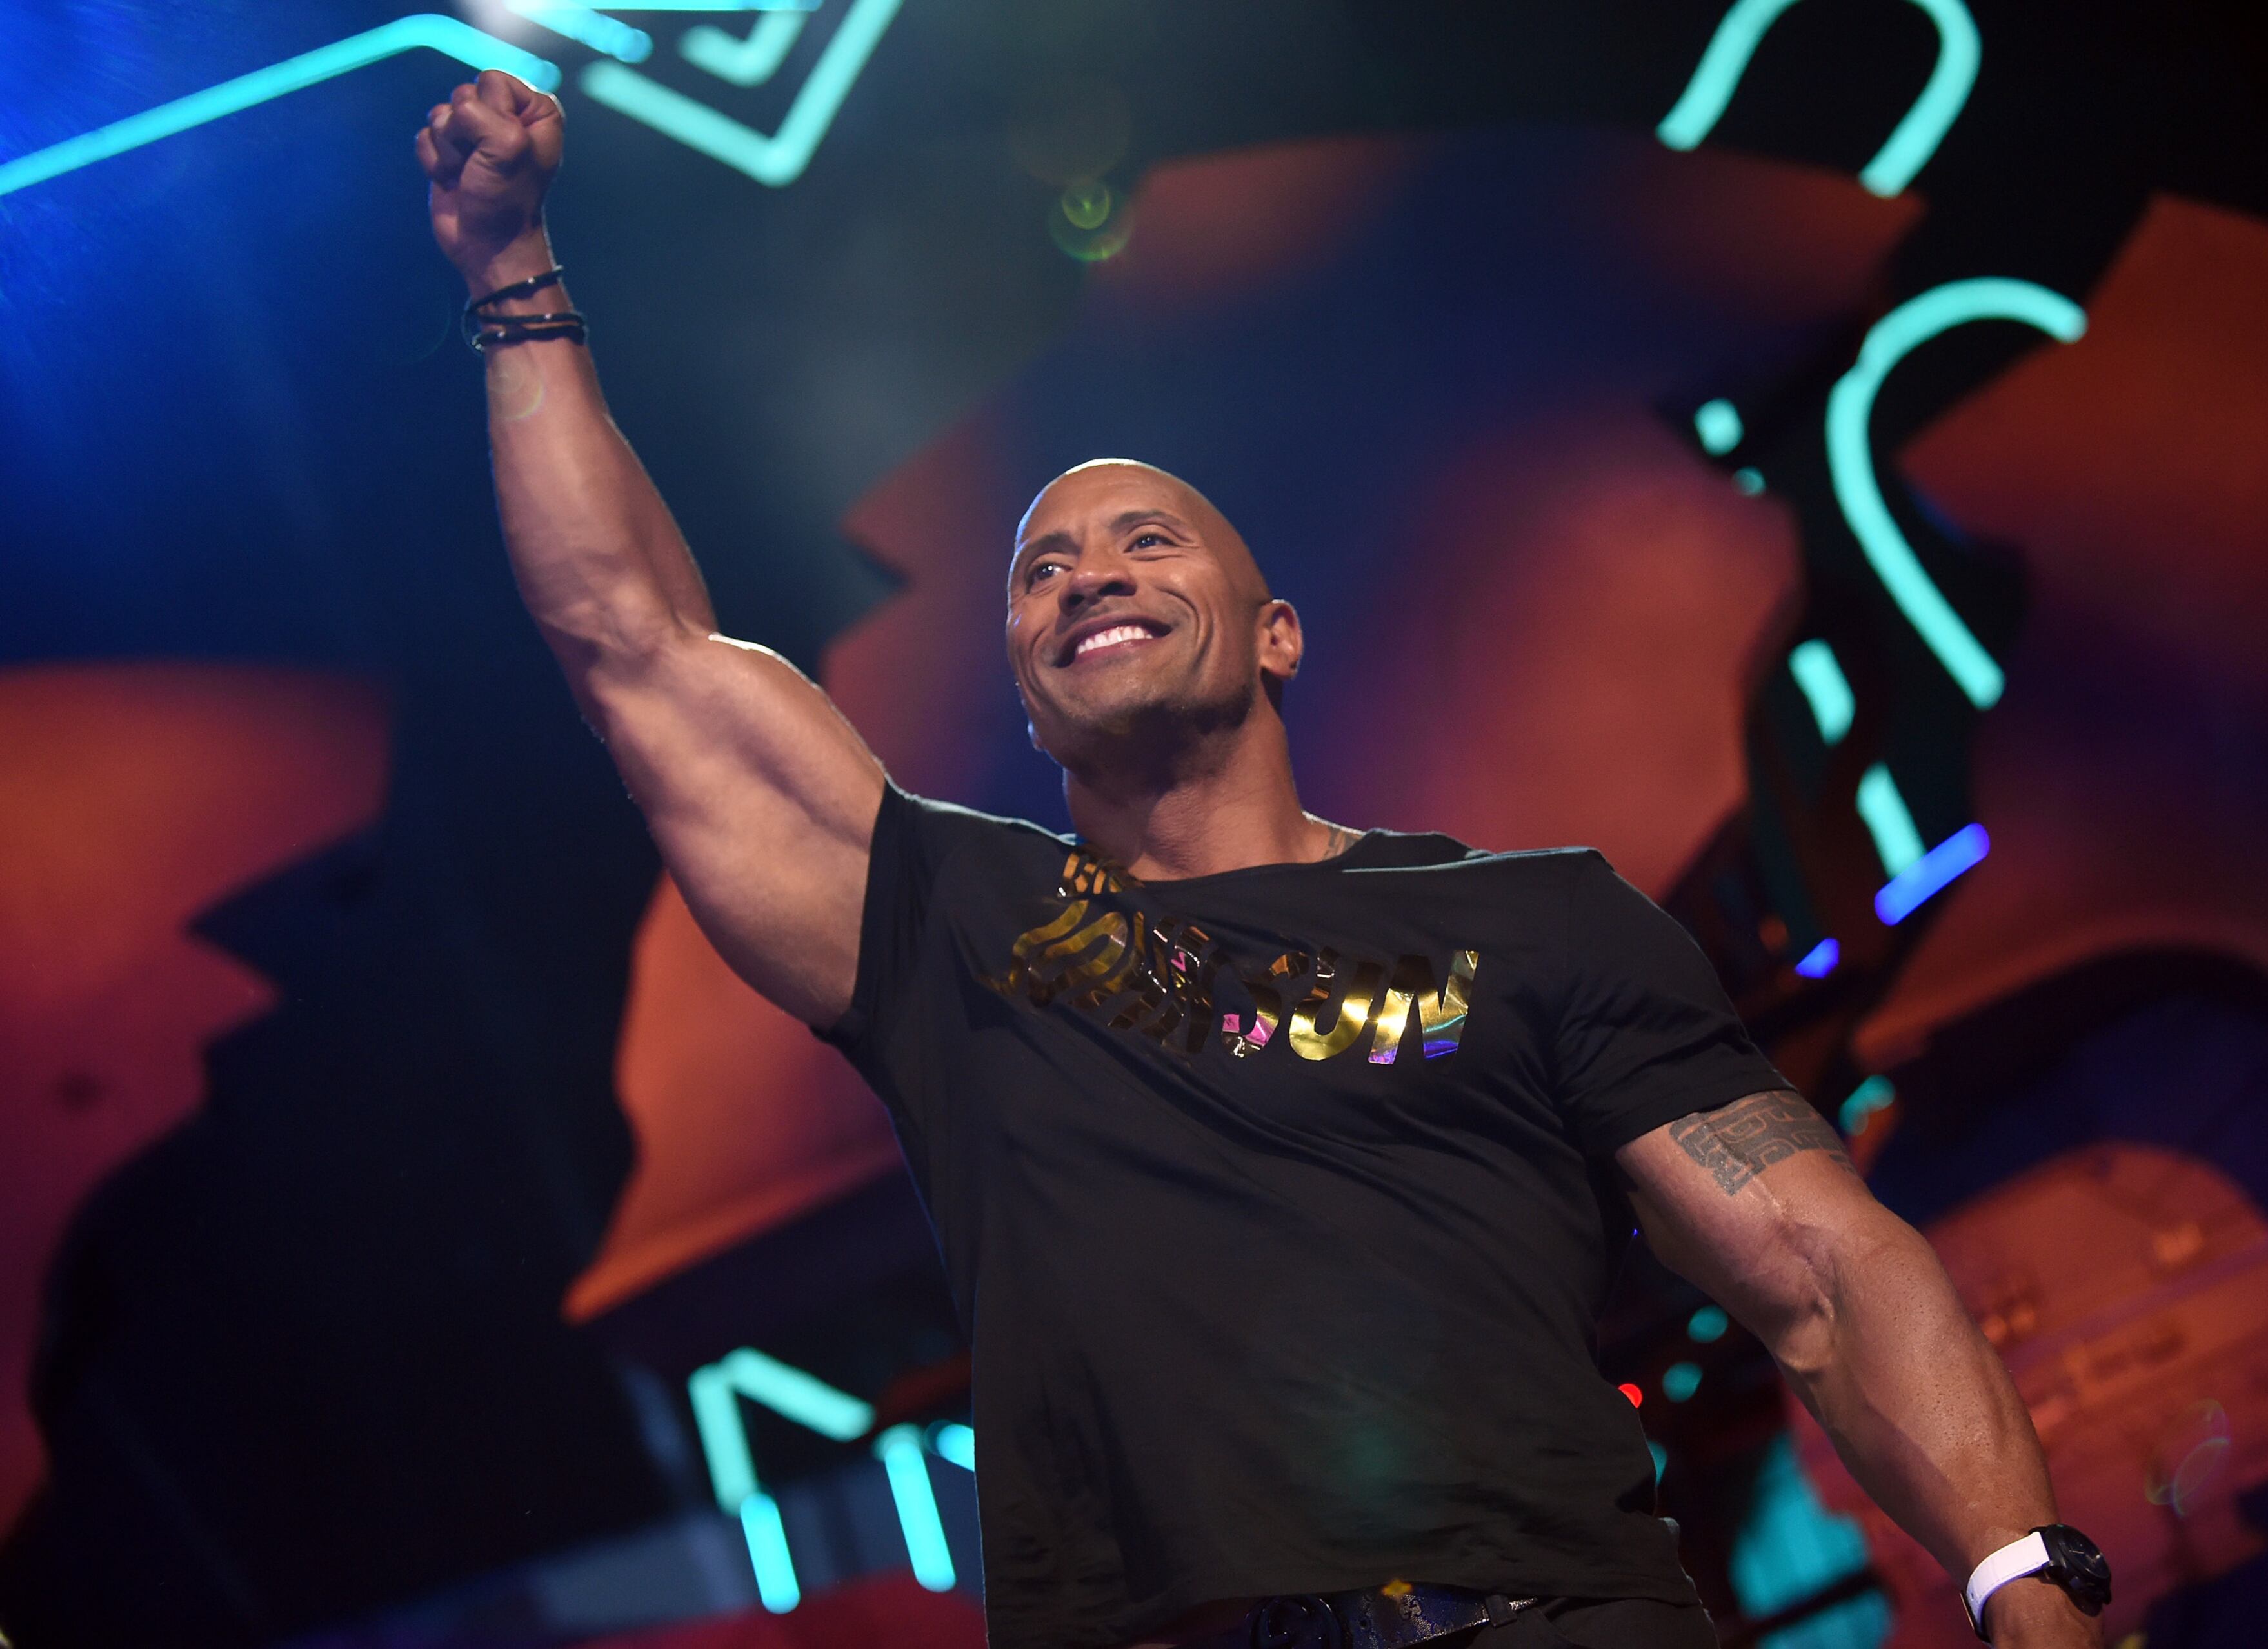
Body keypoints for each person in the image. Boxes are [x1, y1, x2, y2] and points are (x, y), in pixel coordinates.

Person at [417, 71, 2108, 1649]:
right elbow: (634, 646)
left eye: (1146, 537)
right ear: (1029, 693)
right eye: (1040, 571)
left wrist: (2024, 1575)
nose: (1085, 572)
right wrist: (511, 275)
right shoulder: (963, 934)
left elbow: (1819, 1263)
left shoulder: (1528, 921)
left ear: (1278, 632)